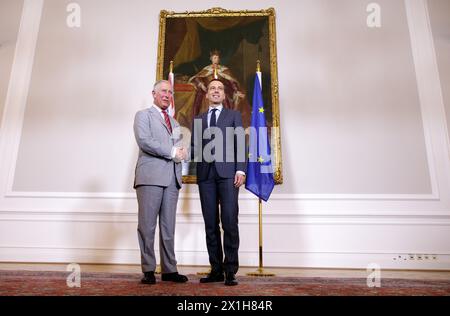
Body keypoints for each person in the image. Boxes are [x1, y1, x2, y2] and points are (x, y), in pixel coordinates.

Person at [190, 79, 246, 286]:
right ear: (207, 95)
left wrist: (241, 169)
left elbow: (240, 142)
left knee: (230, 221)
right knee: (210, 224)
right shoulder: (199, 119)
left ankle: (230, 270)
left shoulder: (234, 116)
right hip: (206, 177)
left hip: (228, 174)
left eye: (219, 89)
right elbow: (195, 148)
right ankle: (216, 270)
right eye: (212, 88)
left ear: (224, 95)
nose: (215, 91)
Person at [133, 80, 188, 284]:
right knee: (147, 226)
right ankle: (148, 269)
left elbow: (179, 146)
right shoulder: (143, 116)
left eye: (170, 92)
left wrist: (183, 152)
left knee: (168, 227)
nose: (167, 95)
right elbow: (145, 141)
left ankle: (169, 270)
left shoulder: (174, 123)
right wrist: (173, 152)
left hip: (172, 179)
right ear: (154, 93)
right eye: (163, 91)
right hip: (150, 178)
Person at [188, 50, 251, 127]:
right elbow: (198, 78)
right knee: (204, 100)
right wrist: (201, 85)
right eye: (214, 58)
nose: (216, 60)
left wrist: (236, 90)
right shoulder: (206, 69)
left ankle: (225, 122)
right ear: (211, 59)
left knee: (226, 100)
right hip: (208, 93)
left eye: (217, 58)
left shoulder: (224, 70)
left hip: (222, 93)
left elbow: (232, 81)